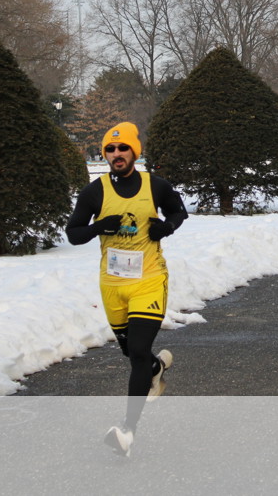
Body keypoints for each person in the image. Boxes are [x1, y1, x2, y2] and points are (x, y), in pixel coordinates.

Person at [66, 122, 189, 457]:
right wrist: (98, 227)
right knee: (132, 353)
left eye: (123, 148)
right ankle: (155, 368)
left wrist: (167, 227)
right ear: (105, 154)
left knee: (137, 349)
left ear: (134, 151)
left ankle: (127, 430)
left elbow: (179, 211)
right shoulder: (95, 192)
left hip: (149, 280)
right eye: (110, 149)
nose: (116, 154)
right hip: (113, 285)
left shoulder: (155, 185)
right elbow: (73, 233)